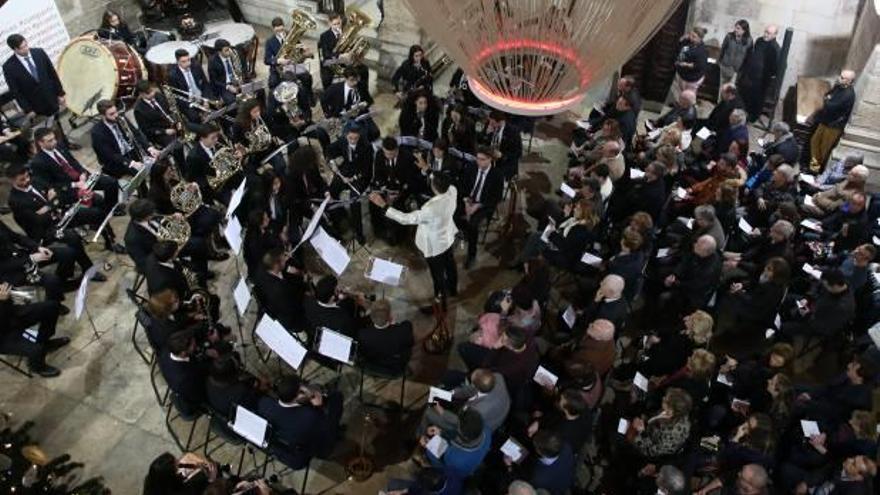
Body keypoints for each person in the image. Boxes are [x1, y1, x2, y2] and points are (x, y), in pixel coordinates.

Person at [370, 172, 459, 306]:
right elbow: (440, 181)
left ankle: (440, 301)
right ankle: (452, 290)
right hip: (447, 236)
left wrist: (384, 206)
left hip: (435, 246)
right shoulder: (452, 190)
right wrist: (428, 171)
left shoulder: (430, 209)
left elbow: (405, 219)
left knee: (437, 275)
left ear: (434, 188)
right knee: (450, 265)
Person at [257, 375, 344, 470]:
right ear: (297, 397)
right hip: (315, 446)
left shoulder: (264, 404)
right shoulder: (310, 417)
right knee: (336, 397)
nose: (307, 390)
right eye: (302, 390)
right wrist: (318, 407)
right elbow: (325, 427)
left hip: (289, 443)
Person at [2, 35, 67, 131]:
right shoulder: (9, 67)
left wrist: (60, 93)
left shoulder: (39, 53)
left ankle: (64, 144)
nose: (26, 49)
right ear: (15, 49)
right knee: (45, 131)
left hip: (51, 97)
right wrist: (28, 109)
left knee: (58, 124)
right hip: (35, 107)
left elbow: (52, 74)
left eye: (26, 45)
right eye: (22, 48)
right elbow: (16, 91)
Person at [0, 282, 66, 377]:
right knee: (35, 348)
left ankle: (45, 342)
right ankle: (37, 366)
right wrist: (3, 301)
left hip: (11, 314)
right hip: (3, 335)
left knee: (52, 307)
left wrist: (9, 290)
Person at [458, 147, 505, 269]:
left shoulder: (497, 175)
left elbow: (496, 198)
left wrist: (478, 206)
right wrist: (466, 201)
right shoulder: (472, 167)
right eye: (477, 158)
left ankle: (471, 255)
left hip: (483, 204)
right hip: (468, 199)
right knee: (453, 213)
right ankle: (463, 231)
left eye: (482, 159)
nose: (479, 162)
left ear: (490, 159)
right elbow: (462, 184)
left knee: (473, 225)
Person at [90, 99, 159, 179]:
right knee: (139, 173)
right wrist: (131, 162)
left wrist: (149, 148)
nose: (116, 115)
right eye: (111, 114)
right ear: (102, 116)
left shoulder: (121, 119)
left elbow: (136, 134)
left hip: (131, 151)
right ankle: (144, 190)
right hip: (117, 160)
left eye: (116, 111)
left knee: (157, 161)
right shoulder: (97, 133)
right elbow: (109, 155)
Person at [808, 69, 857, 172]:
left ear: (850, 81)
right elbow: (827, 96)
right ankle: (814, 167)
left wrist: (827, 100)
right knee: (814, 142)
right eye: (841, 76)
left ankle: (815, 170)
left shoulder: (849, 94)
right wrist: (827, 99)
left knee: (823, 149)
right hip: (825, 121)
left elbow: (831, 106)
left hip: (833, 126)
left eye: (843, 78)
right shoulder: (838, 86)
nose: (840, 78)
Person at [357, 299, 414, 376]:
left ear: (371, 318)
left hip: (371, 367)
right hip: (394, 370)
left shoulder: (362, 334)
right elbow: (410, 340)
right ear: (390, 317)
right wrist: (395, 325)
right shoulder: (402, 332)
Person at [737, 25, 779, 122]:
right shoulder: (759, 40)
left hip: (761, 80)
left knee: (757, 99)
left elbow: (774, 68)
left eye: (769, 33)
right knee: (746, 95)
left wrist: (764, 76)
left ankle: (752, 117)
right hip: (751, 75)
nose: (765, 34)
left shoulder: (775, 48)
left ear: (775, 35)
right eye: (765, 31)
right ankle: (743, 113)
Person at [167, 48, 215, 123]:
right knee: (194, 117)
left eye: (189, 60)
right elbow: (177, 96)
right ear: (177, 62)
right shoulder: (173, 76)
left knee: (217, 107)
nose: (188, 63)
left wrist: (206, 100)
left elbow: (205, 84)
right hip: (188, 102)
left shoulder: (196, 66)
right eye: (183, 61)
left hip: (201, 96)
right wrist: (193, 105)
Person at [669, 27, 708, 104]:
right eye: (690, 35)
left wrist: (685, 64)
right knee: (681, 92)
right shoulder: (687, 41)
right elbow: (680, 48)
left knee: (689, 96)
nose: (691, 37)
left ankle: (689, 110)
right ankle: (680, 105)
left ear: (700, 39)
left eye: (694, 36)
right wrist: (681, 40)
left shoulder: (702, 51)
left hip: (692, 79)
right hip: (682, 74)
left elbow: (699, 66)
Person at [207, 39, 246, 106]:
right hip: (224, 85)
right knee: (232, 101)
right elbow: (214, 81)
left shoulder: (233, 54)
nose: (229, 51)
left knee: (259, 89)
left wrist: (240, 78)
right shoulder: (212, 62)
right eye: (226, 50)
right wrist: (228, 87)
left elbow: (243, 68)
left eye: (229, 48)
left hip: (237, 80)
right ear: (219, 52)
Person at [718, 20, 752, 85]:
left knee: (729, 91)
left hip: (736, 71)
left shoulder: (749, 40)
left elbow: (748, 57)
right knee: (720, 88)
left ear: (744, 30)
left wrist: (743, 71)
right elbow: (722, 50)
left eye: (738, 28)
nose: (736, 30)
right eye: (735, 27)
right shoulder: (729, 36)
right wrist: (719, 63)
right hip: (724, 67)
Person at [317, 12, 344, 89]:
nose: (337, 26)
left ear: (341, 21)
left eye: (339, 23)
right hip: (330, 62)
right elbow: (326, 54)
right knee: (326, 78)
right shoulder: (324, 36)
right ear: (329, 24)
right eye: (334, 24)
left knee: (362, 69)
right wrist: (339, 56)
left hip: (344, 61)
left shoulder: (346, 33)